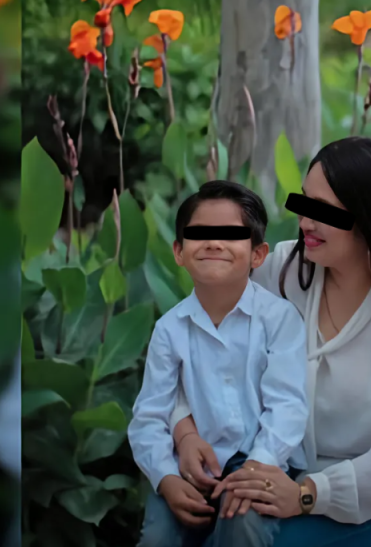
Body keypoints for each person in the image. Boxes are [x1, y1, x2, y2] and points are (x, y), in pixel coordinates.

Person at [168, 137, 371, 547]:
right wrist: (185, 432)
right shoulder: (279, 273)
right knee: (196, 524)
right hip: (285, 476)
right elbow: (192, 345)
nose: (304, 222)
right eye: (304, 203)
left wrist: (308, 494)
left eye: (322, 210)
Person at [128, 180, 310, 547]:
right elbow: (149, 415)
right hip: (191, 466)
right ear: (179, 251)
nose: (213, 243)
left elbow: (287, 405)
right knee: (158, 537)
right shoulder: (169, 330)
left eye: (230, 234)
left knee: (241, 523)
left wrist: (258, 465)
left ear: (258, 254)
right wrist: (166, 478)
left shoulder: (279, 319)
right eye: (199, 234)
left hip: (260, 459)